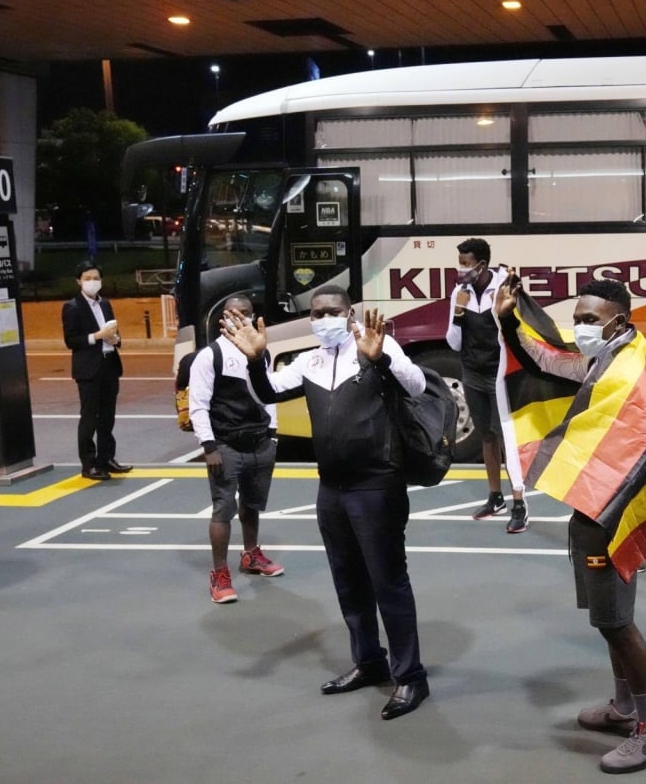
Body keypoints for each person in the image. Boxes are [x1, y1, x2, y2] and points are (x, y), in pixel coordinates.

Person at [496, 277, 646, 774]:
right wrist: (508, 320)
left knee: (617, 623)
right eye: (577, 318)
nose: (580, 327)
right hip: (594, 505)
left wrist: (626, 504)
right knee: (609, 622)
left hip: (613, 512)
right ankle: (625, 707)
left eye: (589, 319)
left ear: (619, 321)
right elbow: (548, 361)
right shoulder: (610, 357)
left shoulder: (637, 370)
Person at [221, 284, 430, 719]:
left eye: (333, 311)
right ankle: (369, 662)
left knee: (388, 582)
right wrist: (256, 359)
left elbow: (417, 385)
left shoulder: (375, 346)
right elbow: (269, 392)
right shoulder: (310, 361)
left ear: (349, 313)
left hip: (376, 485)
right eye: (316, 313)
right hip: (331, 488)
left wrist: (381, 359)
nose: (324, 319)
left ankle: (411, 676)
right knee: (348, 581)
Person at [188, 294, 284, 605]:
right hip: (226, 445)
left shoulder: (261, 353)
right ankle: (219, 574)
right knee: (223, 510)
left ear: (253, 316)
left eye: (244, 313)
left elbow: (268, 394)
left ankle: (250, 555)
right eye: (232, 313)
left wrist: (272, 435)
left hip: (260, 443)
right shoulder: (210, 356)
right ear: (223, 318)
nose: (238, 317)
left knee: (252, 504)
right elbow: (198, 406)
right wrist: (209, 446)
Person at [446, 238, 529, 533]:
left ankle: (519, 503)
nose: (461, 270)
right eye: (460, 263)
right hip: (472, 373)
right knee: (487, 435)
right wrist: (459, 313)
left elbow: (519, 332)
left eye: (466, 264)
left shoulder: (504, 287)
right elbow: (453, 343)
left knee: (507, 436)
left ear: (481, 265)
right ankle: (495, 498)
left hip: (500, 372)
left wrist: (502, 313)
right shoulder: (460, 292)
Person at [61, 261, 130, 480]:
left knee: (107, 417)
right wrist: (97, 336)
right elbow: (71, 340)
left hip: (109, 364)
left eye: (96, 278)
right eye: (88, 278)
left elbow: (114, 332)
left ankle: (106, 458)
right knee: (89, 417)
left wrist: (115, 339)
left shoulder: (106, 304)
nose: (93, 282)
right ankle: (89, 464)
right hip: (88, 368)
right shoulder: (72, 307)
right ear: (79, 281)